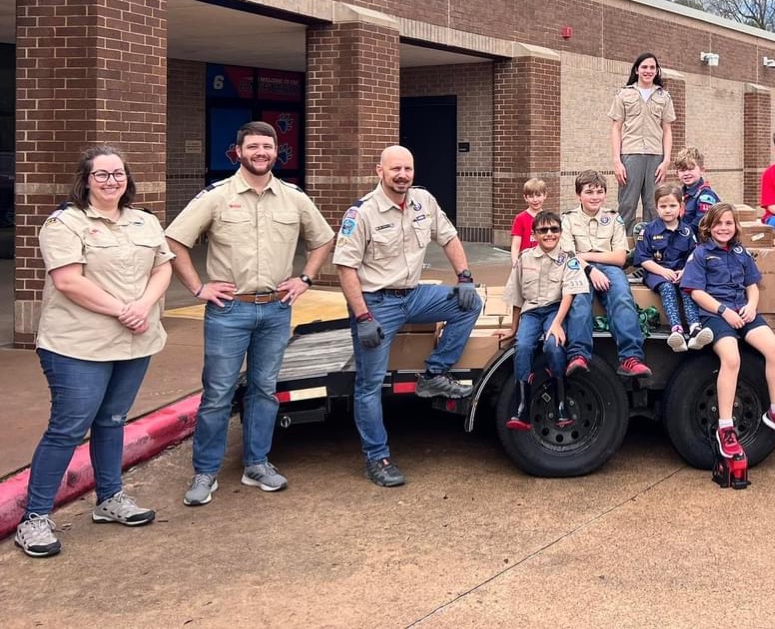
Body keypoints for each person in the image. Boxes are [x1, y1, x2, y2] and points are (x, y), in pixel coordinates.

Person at [14, 147, 174, 558]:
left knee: (113, 419)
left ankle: (110, 499)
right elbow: (68, 282)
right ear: (85, 180)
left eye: (117, 173)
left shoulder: (145, 220)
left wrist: (143, 307)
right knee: (68, 428)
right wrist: (124, 309)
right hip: (78, 345)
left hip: (135, 340)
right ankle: (34, 519)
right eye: (101, 175)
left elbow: (163, 267)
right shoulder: (64, 223)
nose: (110, 181)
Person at [166, 121, 334, 507]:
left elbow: (323, 238)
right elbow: (174, 240)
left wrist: (306, 278)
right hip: (229, 312)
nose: (261, 153)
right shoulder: (217, 196)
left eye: (267, 147)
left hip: (276, 310)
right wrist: (198, 287)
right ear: (237, 152)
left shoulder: (293, 197)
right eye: (253, 146)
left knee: (264, 390)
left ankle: (257, 463)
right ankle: (205, 472)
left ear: (277, 152)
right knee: (218, 394)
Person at [334, 145, 484, 487]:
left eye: (407, 168)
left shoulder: (423, 201)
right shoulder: (362, 213)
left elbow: (449, 238)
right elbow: (345, 268)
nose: (402, 175)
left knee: (470, 303)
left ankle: (434, 374)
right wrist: (362, 317)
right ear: (379, 171)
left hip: (414, 295)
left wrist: (463, 278)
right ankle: (377, 457)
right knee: (369, 385)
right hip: (377, 303)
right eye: (395, 169)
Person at [682, 202, 775, 458]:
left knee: (774, 350)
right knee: (732, 358)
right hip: (715, 315)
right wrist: (724, 312)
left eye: (728, 223)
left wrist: (751, 306)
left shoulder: (740, 252)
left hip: (743, 311)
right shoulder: (701, 254)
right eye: (718, 224)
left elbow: (753, 285)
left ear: (735, 226)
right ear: (708, 227)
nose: (724, 228)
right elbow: (696, 292)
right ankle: (725, 427)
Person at [502, 211, 589, 430]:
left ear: (560, 232)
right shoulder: (525, 258)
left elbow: (569, 292)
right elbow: (516, 295)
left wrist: (557, 323)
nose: (549, 234)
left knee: (553, 344)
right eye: (543, 230)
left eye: (554, 229)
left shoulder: (569, 258)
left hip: (554, 310)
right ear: (534, 234)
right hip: (531, 312)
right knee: (522, 346)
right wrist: (513, 328)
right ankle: (522, 408)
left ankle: (561, 402)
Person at [561, 170, 653, 378]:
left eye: (600, 192)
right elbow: (567, 256)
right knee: (580, 299)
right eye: (589, 192)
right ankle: (578, 355)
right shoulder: (567, 219)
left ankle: (631, 358)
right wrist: (589, 269)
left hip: (609, 268)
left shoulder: (613, 218)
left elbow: (620, 258)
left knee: (621, 295)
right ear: (578, 195)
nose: (595, 196)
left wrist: (588, 256)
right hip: (579, 269)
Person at [634, 184, 711, 352]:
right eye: (663, 206)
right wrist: (662, 271)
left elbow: (693, 256)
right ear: (656, 207)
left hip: (682, 272)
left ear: (681, 207)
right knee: (668, 288)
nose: (668, 210)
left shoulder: (687, 231)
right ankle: (676, 328)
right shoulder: (648, 230)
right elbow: (643, 259)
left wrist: (685, 272)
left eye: (672, 206)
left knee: (688, 288)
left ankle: (695, 327)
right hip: (657, 272)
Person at [608, 52, 676, 230]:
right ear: (637, 70)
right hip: (631, 154)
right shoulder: (624, 94)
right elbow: (616, 128)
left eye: (652, 67)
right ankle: (624, 247)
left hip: (655, 156)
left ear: (657, 71)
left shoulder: (664, 97)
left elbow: (667, 130)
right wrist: (617, 161)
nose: (648, 71)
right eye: (644, 67)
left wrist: (666, 160)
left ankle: (653, 245)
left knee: (654, 205)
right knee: (627, 204)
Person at [673, 146, 720, 230]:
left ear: (702, 170)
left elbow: (701, 223)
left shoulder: (706, 195)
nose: (686, 173)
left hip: (697, 240)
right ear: (677, 173)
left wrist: (681, 235)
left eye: (691, 169)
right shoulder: (679, 194)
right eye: (682, 170)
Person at [510, 177, 547, 266]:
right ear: (525, 198)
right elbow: (515, 246)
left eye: (538, 195)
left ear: (545, 195)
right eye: (531, 196)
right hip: (526, 262)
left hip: (545, 262)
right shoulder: (520, 218)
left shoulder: (548, 218)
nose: (535, 200)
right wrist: (515, 263)